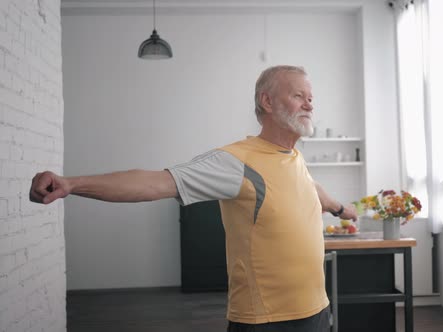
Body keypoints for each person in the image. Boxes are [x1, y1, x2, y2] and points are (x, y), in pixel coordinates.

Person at [29, 65, 357, 331]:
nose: (310, 104)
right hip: (267, 321)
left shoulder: (294, 158)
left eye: (311, 97)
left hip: (317, 310)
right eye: (299, 95)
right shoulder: (236, 162)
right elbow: (155, 183)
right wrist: (72, 183)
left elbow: (311, 189)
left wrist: (342, 208)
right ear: (267, 102)